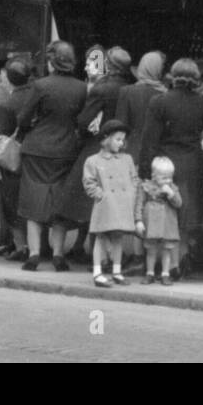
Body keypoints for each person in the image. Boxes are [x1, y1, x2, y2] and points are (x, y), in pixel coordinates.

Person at [16, 41, 87, 272]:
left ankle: (34, 254)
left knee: (34, 198)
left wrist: (31, 128)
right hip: (66, 149)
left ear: (51, 61)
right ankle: (58, 254)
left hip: (37, 148)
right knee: (59, 201)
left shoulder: (40, 85)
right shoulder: (80, 88)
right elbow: (82, 120)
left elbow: (23, 118)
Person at [57, 46, 131, 260]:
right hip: (119, 149)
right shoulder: (129, 87)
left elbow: (83, 121)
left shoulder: (102, 88)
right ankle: (98, 253)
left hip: (96, 146)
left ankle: (74, 253)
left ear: (108, 64)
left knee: (77, 202)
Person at [140, 57, 203, 276]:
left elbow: (149, 139)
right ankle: (181, 258)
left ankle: (169, 263)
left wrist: (144, 171)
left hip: (166, 161)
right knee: (187, 210)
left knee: (168, 211)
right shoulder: (201, 101)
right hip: (192, 161)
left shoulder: (160, 101)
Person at [84, 119, 140, 287]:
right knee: (100, 237)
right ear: (106, 138)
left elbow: (134, 178)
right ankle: (97, 272)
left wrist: (131, 192)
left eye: (123, 140)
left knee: (118, 237)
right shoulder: (93, 161)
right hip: (106, 205)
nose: (121, 143)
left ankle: (117, 271)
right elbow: (89, 183)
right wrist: (101, 196)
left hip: (123, 203)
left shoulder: (127, 159)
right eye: (117, 139)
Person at [0, 58, 35, 259]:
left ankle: (21, 246)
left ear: (9, 79)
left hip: (13, 160)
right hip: (35, 156)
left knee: (11, 202)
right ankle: (39, 244)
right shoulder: (38, 96)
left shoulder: (7, 105)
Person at [117, 51, 167, 174]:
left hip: (129, 152)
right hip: (156, 155)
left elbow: (120, 125)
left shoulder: (127, 92)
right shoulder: (164, 94)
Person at [136, 155, 182, 285]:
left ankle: (165, 274)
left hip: (167, 223)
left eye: (170, 177)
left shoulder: (172, 188)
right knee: (151, 250)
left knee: (166, 250)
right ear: (154, 175)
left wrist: (171, 194)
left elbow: (179, 204)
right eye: (164, 178)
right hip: (151, 223)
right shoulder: (146, 187)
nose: (168, 180)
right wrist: (138, 220)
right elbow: (139, 204)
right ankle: (150, 273)